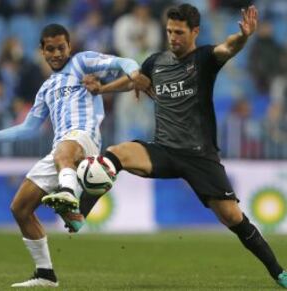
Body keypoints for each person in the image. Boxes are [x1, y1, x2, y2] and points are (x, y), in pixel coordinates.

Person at [54, 4, 287, 288]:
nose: (173, 37)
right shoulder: (157, 61)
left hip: (200, 156)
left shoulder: (204, 59)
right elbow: (135, 80)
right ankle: (79, 214)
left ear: (195, 32)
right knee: (116, 153)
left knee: (233, 217)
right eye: (169, 31)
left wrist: (244, 37)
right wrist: (102, 89)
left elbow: (228, 47)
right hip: (163, 149)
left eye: (179, 32)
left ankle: (278, 272)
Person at [0, 23, 150, 288]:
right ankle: (46, 274)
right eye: (51, 49)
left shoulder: (82, 63)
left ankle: (69, 198)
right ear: (42, 50)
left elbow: (124, 61)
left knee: (64, 150)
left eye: (61, 47)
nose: (57, 53)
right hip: (61, 151)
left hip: (84, 139)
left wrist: (135, 74)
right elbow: (28, 128)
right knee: (20, 208)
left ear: (69, 46)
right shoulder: (46, 88)